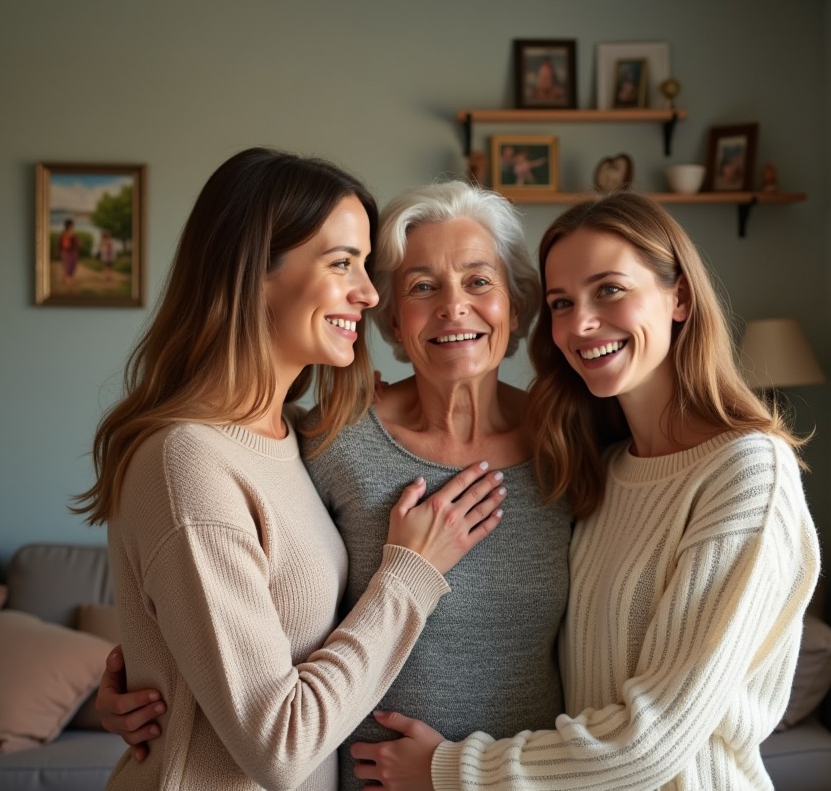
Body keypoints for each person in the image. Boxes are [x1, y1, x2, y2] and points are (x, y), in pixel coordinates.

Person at [96, 180, 572, 791]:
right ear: (394, 319)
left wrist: (153, 671)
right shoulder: (322, 441)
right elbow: (267, 719)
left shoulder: (573, 443)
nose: (453, 306)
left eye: (479, 280)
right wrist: (160, 674)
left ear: (518, 302)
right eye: (420, 286)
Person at [350, 192, 821, 790]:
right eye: (562, 303)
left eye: (610, 290)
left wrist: (450, 769)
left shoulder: (747, 471)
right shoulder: (600, 463)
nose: (580, 324)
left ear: (679, 297)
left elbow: (653, 740)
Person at [58, 219, 79, 286]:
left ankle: (69, 279)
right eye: (71, 225)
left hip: (72, 252)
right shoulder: (65, 234)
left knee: (72, 266)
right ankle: (68, 280)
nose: (72, 226)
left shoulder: (72, 234)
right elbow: (62, 244)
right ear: (68, 226)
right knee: (68, 267)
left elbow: (76, 243)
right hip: (66, 252)